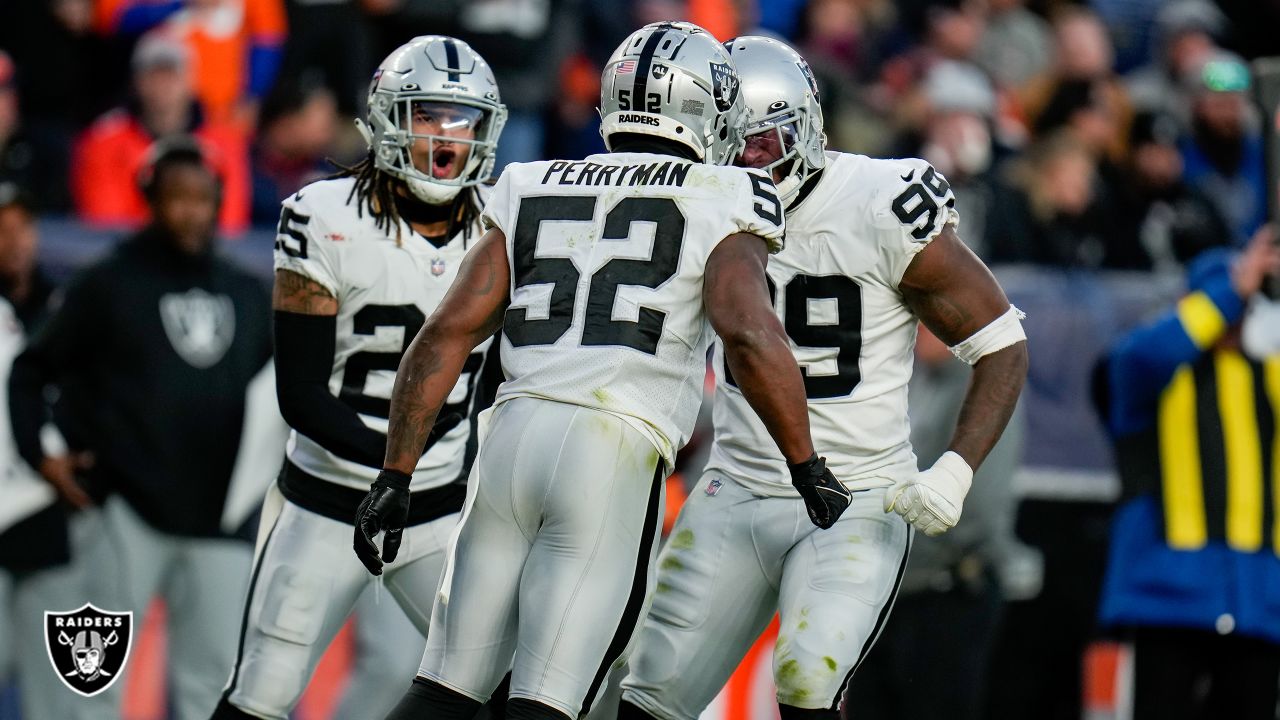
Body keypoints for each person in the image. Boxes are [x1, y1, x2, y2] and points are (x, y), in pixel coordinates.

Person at [357, 21, 854, 720]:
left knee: (442, 690)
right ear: (703, 106)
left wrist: (395, 474)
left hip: (508, 440)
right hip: (612, 450)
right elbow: (747, 328)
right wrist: (806, 464)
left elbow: (446, 334)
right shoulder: (725, 192)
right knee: (549, 699)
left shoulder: (533, 180)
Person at [616, 36, 1028, 720]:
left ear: (807, 126)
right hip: (737, 485)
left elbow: (1001, 340)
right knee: (649, 692)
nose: (749, 160)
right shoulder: (695, 202)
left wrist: (955, 468)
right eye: (732, 142)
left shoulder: (878, 199)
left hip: (858, 493)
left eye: (766, 140)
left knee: (809, 682)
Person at [210, 35, 508, 720]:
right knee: (262, 695)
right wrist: (393, 468)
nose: (446, 135)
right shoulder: (325, 216)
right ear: (387, 117)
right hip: (329, 500)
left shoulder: (503, 219)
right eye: (429, 113)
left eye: (461, 119)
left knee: (505, 692)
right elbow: (301, 395)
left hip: (439, 512)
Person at [7, 137, 273, 720]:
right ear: (149, 198)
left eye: (203, 198)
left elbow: (277, 403)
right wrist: (41, 456)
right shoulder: (107, 283)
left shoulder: (249, 293)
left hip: (221, 523)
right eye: (176, 197)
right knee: (93, 681)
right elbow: (30, 371)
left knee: (216, 693)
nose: (190, 211)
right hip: (121, 512)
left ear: (220, 202)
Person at [1096, 227, 1280, 720]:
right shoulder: (1148, 373)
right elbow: (1143, 356)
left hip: (1261, 605)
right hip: (1166, 601)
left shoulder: (1269, 374)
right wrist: (1234, 288)